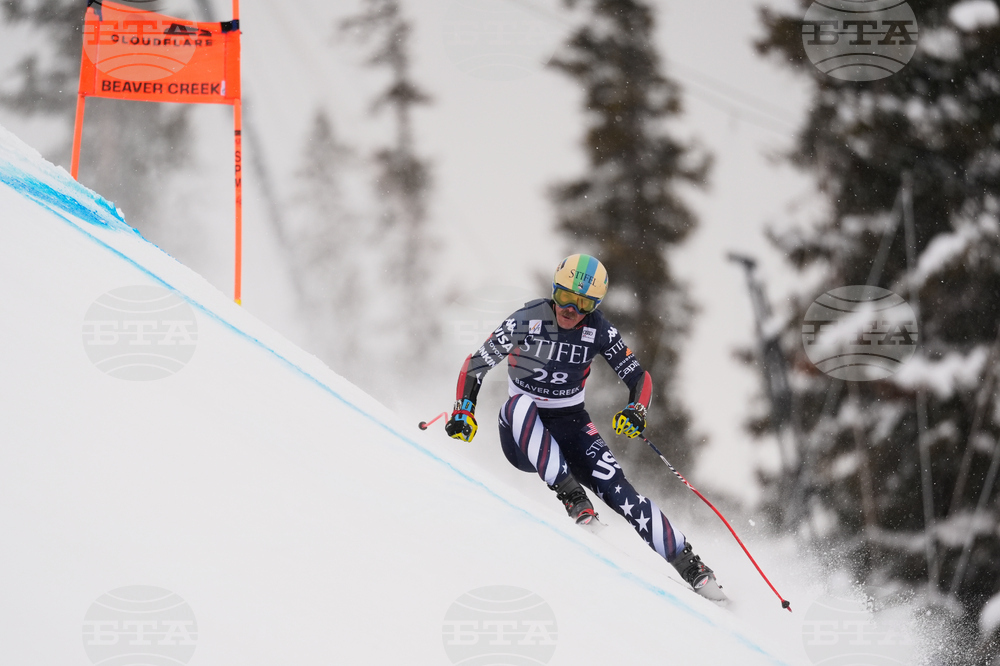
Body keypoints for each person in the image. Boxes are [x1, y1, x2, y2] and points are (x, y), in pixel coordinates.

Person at [445, 254, 725, 600]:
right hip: (522, 431)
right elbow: (476, 364)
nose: (571, 310)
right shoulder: (527, 319)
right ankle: (574, 498)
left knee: (621, 490)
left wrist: (636, 409)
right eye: (565, 297)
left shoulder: (599, 329)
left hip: (571, 424)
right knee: (518, 405)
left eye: (583, 304)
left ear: (594, 306)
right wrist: (464, 410)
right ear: (554, 290)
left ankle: (691, 565)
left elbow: (639, 377)